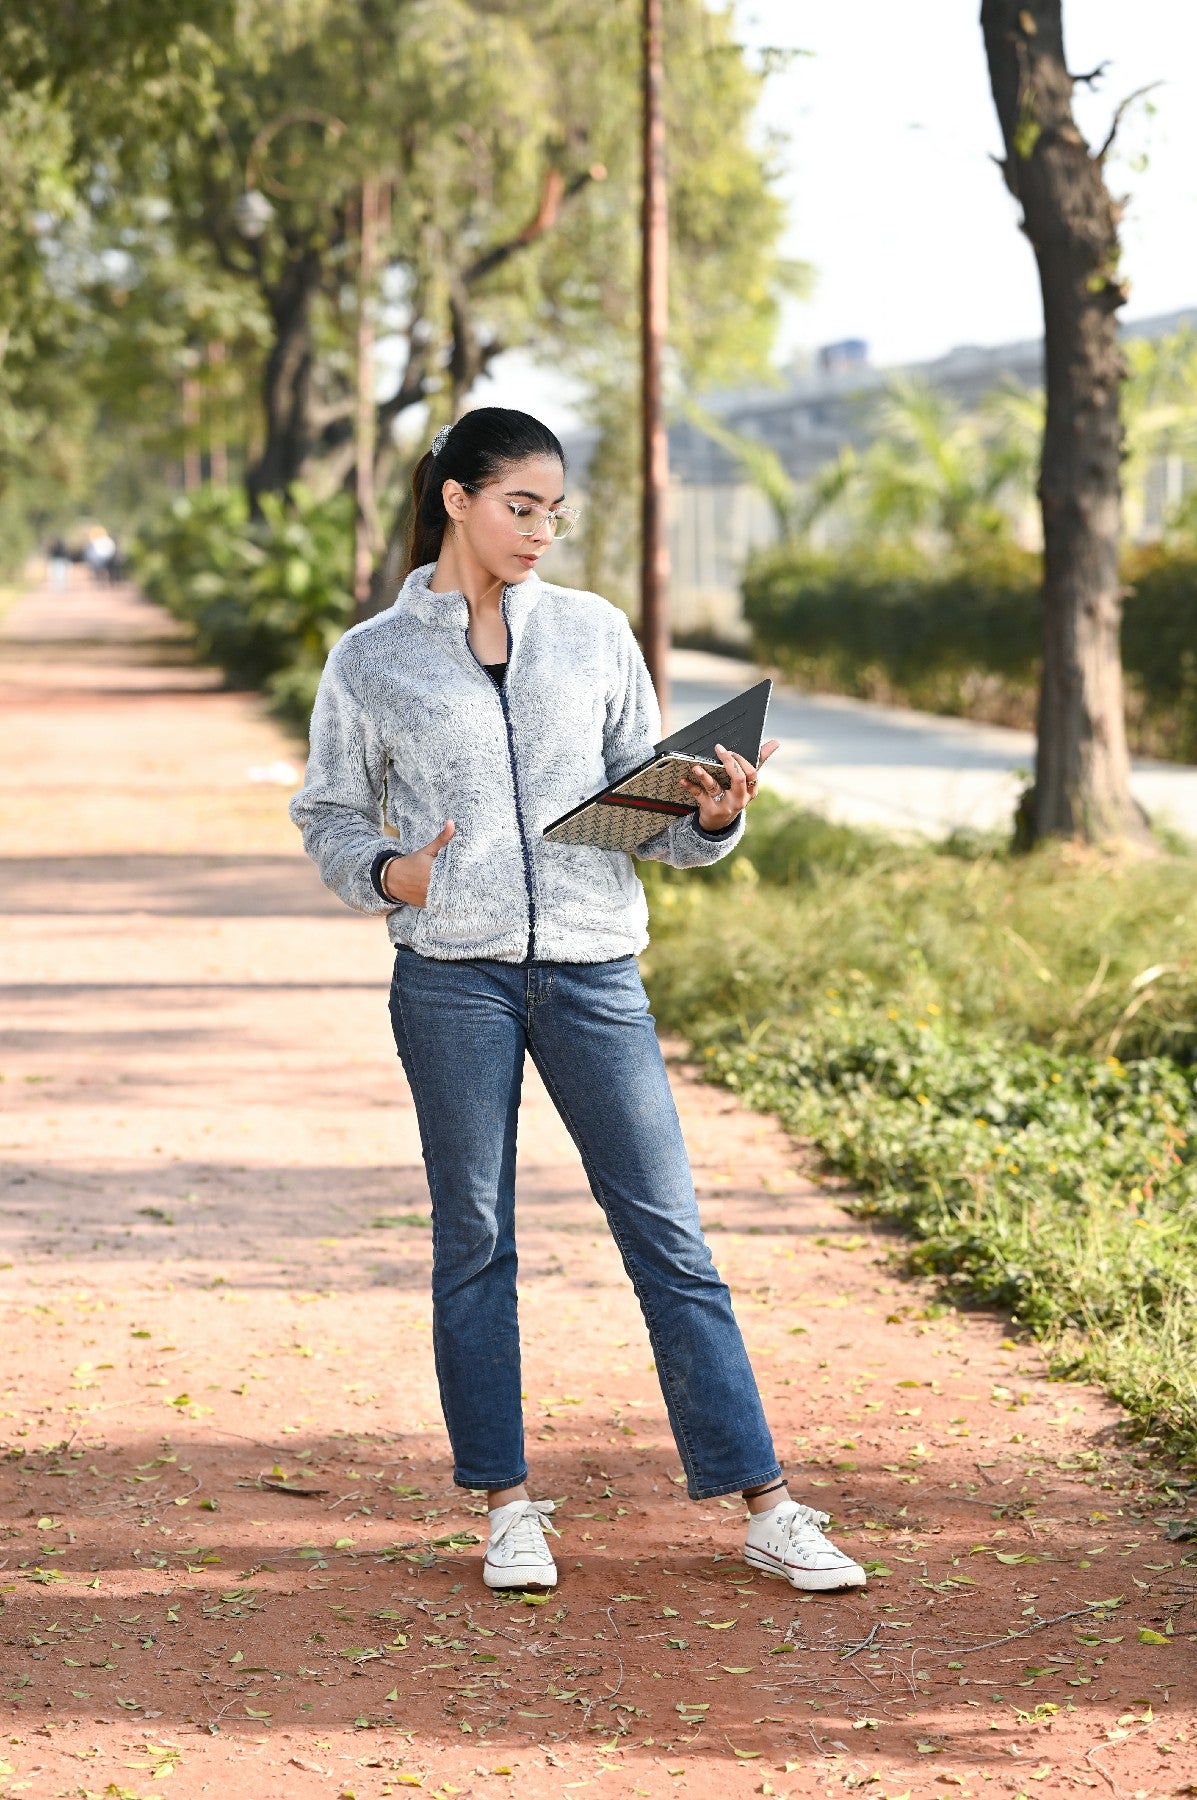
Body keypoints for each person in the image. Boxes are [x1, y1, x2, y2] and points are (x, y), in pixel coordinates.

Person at [290, 407, 865, 1596]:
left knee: (671, 1236)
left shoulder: (596, 636)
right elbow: (331, 816)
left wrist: (711, 814)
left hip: (597, 967)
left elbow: (646, 820)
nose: (542, 529)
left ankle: (764, 1501)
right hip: (453, 979)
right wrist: (394, 874)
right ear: (456, 498)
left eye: (556, 510)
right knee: (478, 1237)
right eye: (520, 506)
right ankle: (505, 1506)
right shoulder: (372, 658)